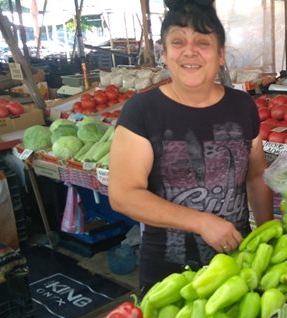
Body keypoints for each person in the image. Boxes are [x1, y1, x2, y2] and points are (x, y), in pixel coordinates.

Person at [108, 0, 274, 294]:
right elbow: (123, 195)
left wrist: (268, 238)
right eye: (177, 42)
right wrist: (201, 222)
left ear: (221, 54)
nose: (189, 51)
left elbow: (256, 177)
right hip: (168, 277)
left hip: (239, 267)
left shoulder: (242, 105)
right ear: (165, 52)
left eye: (202, 42)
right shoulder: (142, 110)